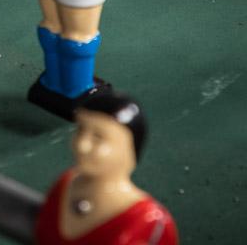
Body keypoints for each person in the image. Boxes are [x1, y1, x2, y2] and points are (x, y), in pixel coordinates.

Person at [36, 90, 178, 245]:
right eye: (80, 130)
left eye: (98, 137)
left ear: (129, 150)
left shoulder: (149, 224)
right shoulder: (65, 185)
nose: (81, 145)